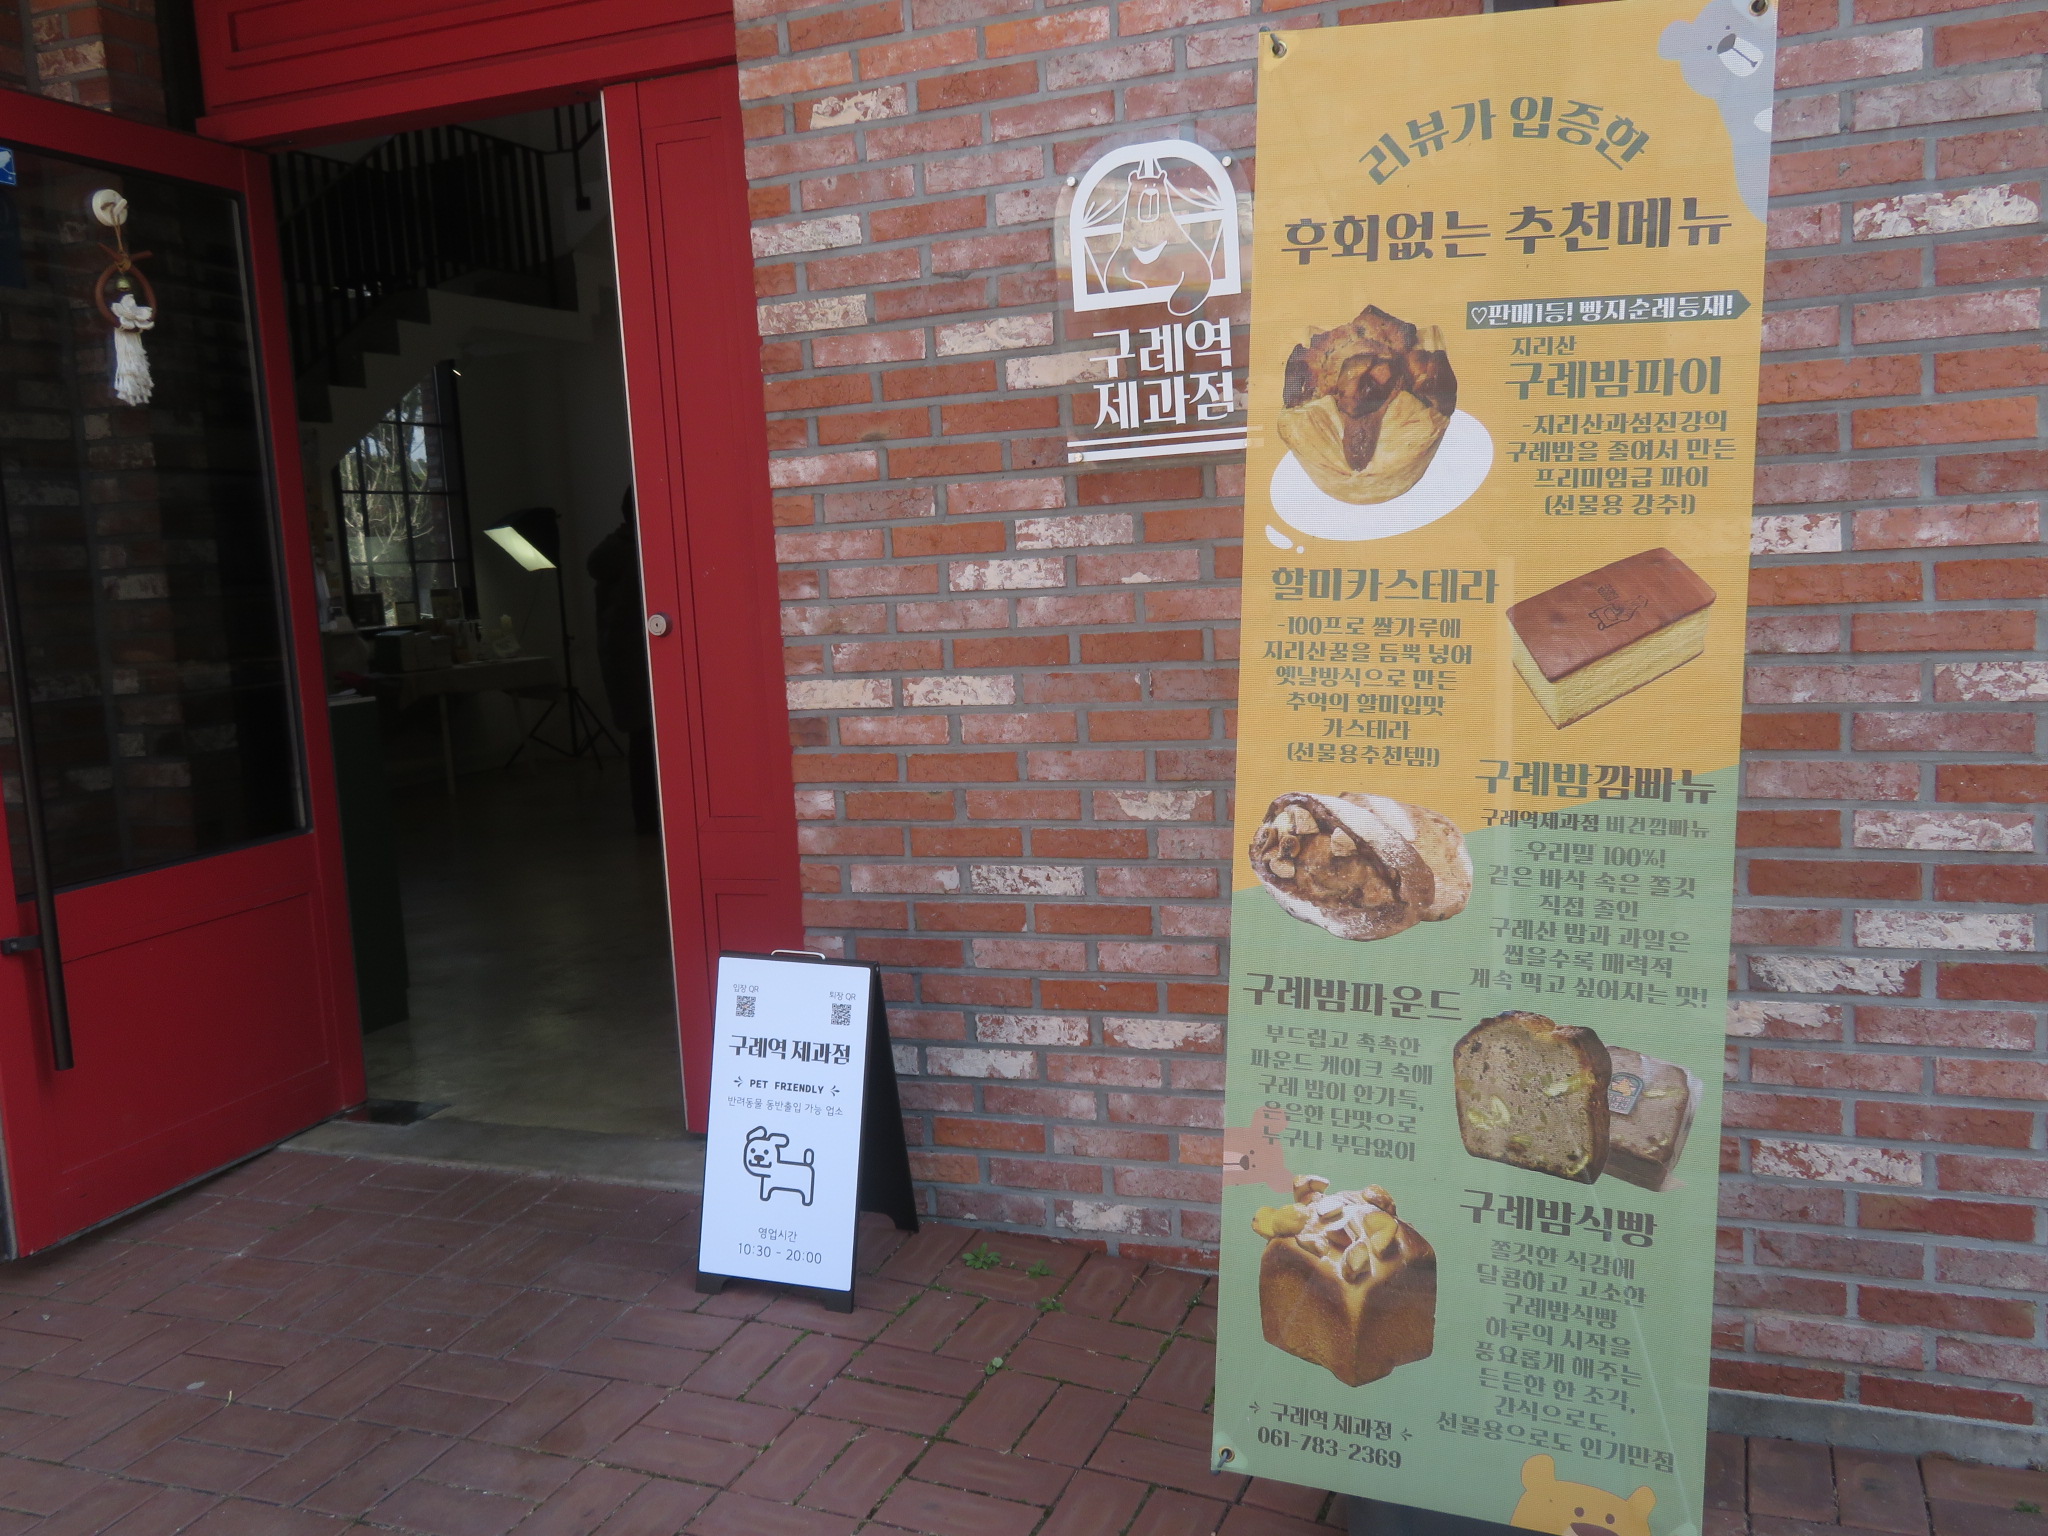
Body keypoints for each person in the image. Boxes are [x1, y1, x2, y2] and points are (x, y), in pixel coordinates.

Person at [586, 487, 659, 834]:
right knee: (646, 743)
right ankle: (651, 821)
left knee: (643, 743)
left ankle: (649, 821)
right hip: (636, 665)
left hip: (626, 663)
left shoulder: (617, 553)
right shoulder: (635, 555)